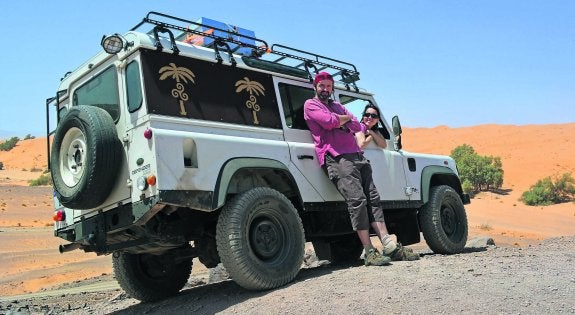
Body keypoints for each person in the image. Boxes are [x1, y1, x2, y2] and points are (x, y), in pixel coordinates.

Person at [303, 72, 418, 266]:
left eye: (329, 86)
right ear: (316, 87)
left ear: (332, 88)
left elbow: (357, 125)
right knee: (357, 201)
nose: (325, 89)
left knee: (373, 199)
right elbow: (329, 122)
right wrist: (343, 119)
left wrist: (342, 119)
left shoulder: (337, 105)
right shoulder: (310, 105)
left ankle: (389, 245)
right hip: (337, 157)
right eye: (321, 86)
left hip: (357, 156)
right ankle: (369, 251)